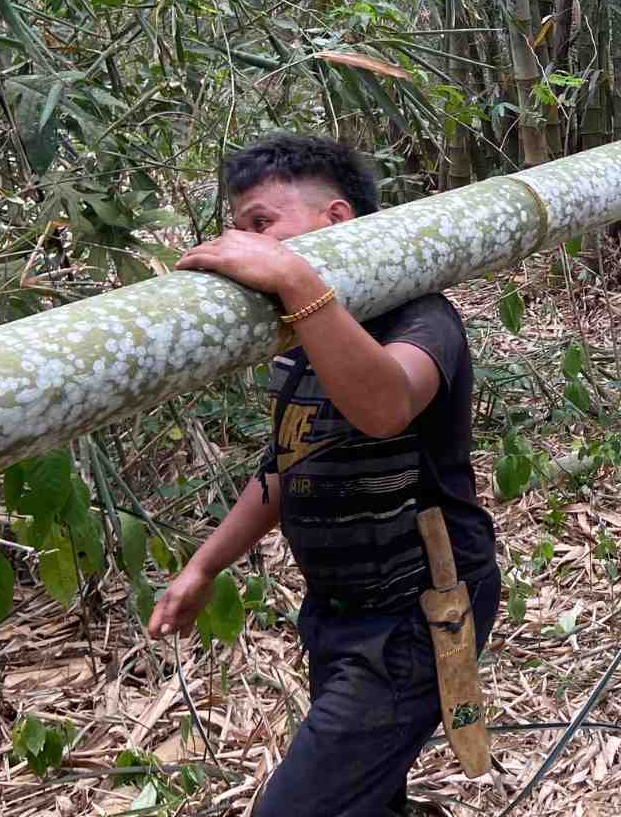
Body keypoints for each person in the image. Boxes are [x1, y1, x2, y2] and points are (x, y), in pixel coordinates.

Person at [148, 134, 499, 816]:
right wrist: (203, 566)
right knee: (365, 795)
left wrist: (297, 280)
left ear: (336, 221)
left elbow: (384, 404)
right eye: (238, 228)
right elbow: (283, 469)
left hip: (417, 613)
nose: (245, 244)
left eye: (260, 225)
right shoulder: (300, 339)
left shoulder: (422, 318)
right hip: (338, 612)